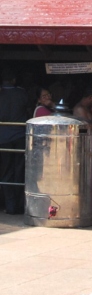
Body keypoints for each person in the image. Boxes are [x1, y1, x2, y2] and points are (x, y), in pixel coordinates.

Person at [0, 70, 28, 215]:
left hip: (3, 137)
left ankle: (10, 207)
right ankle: (18, 206)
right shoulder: (22, 93)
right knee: (19, 171)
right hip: (19, 135)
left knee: (5, 172)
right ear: (14, 80)